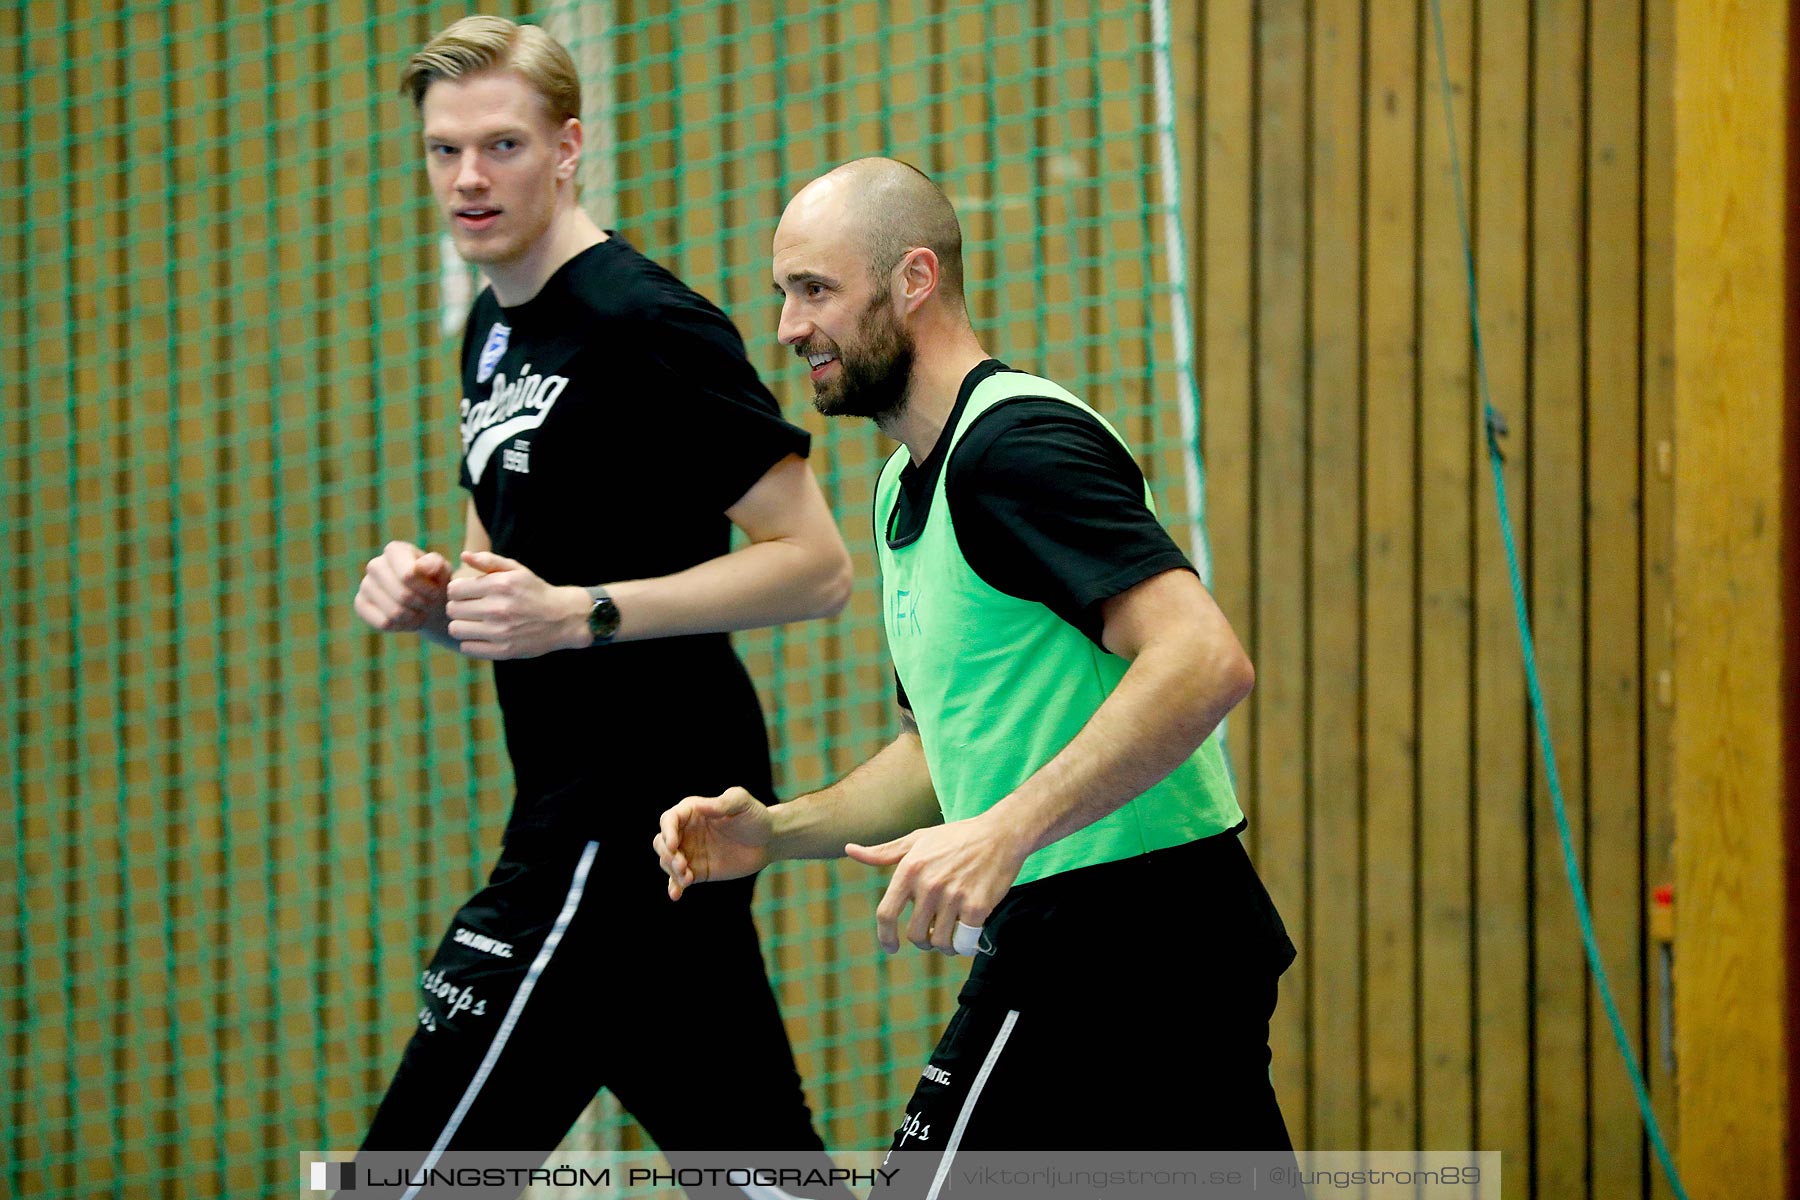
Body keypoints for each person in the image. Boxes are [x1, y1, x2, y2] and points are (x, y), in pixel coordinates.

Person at [655, 158, 1298, 1172]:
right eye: (784, 294)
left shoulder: (1017, 448)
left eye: (815, 290)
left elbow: (1204, 658)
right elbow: (939, 758)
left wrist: (1004, 830)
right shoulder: (906, 488)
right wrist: (776, 833)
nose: (787, 327)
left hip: (1114, 936)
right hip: (1153, 942)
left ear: (914, 279)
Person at [349, 16, 856, 1194]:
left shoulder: (646, 323)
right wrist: (430, 598)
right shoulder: (489, 325)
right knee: (757, 1166)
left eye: (504, 145)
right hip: (611, 808)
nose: (470, 178)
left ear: (569, 147)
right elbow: (500, 571)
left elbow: (816, 564)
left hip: (625, 808)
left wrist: (584, 615)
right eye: (444, 150)